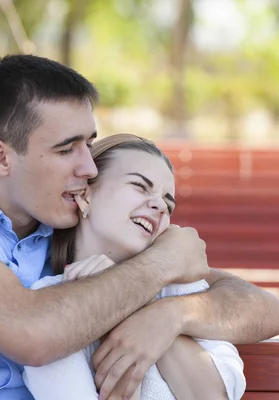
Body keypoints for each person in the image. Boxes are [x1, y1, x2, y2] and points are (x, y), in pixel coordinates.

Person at [0, 54, 279, 400]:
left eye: (89, 142)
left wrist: (171, 314)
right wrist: (163, 264)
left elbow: (263, 309)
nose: (88, 167)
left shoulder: (70, 239)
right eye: (67, 149)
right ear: (1, 157)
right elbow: (32, 333)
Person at [23, 133, 246, 400]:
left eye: (168, 203)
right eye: (140, 186)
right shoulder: (51, 307)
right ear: (83, 195)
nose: (160, 205)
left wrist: (146, 315)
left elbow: (214, 397)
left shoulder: (178, 289)